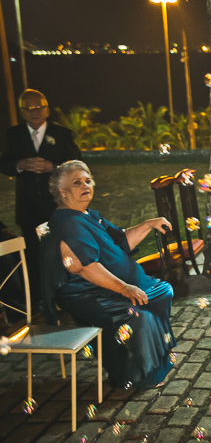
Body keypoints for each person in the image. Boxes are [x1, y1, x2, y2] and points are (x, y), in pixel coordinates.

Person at [40, 160, 176, 388]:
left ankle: (154, 368)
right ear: (62, 192)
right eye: (76, 183)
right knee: (141, 314)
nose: (85, 185)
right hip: (88, 292)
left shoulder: (88, 215)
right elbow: (82, 267)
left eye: (87, 180)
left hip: (104, 287)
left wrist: (148, 225)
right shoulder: (67, 223)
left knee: (162, 292)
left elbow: (120, 240)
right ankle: (134, 375)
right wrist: (125, 288)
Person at [0, 90, 81, 303]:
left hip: (57, 206)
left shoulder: (62, 134)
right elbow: (4, 163)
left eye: (39, 107)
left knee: (60, 251)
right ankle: (38, 300)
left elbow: (77, 166)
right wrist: (20, 165)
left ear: (47, 109)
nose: (35, 112)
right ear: (22, 111)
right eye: (29, 108)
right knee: (34, 255)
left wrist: (52, 167)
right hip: (28, 207)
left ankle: (67, 296)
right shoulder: (14, 135)